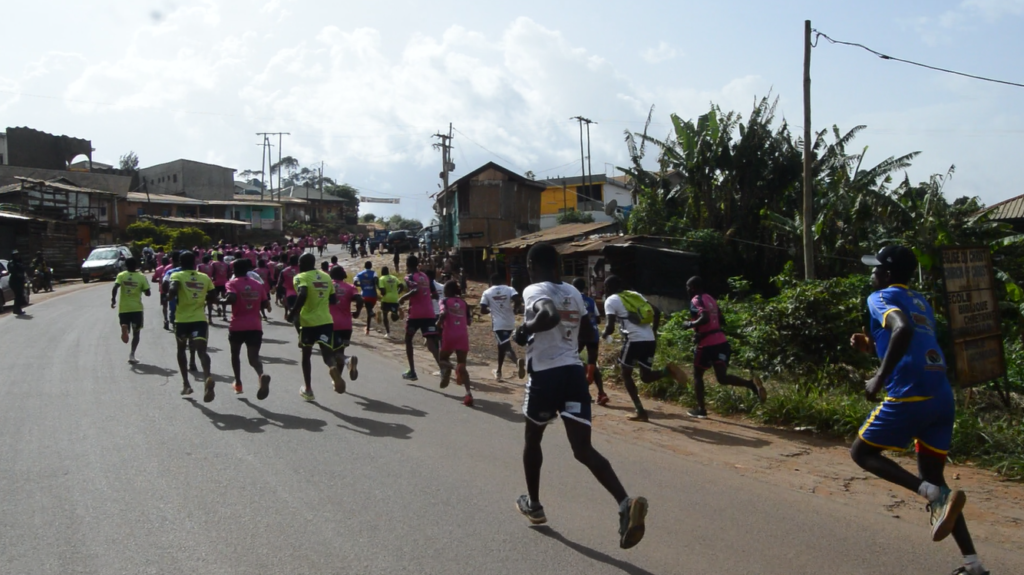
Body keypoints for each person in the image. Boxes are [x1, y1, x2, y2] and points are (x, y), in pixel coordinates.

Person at [848, 246, 985, 575]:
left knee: (861, 453)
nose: (873, 274)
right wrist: (871, 347)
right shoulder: (922, 301)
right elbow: (914, 341)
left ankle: (929, 493)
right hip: (941, 396)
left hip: (911, 395)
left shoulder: (880, 297)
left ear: (888, 275)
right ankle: (974, 565)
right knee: (937, 480)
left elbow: (902, 329)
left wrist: (879, 377)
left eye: (877, 269)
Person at [511, 243, 648, 548]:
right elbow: (588, 332)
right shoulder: (573, 294)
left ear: (532, 266)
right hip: (573, 375)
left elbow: (547, 316)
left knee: (533, 438)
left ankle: (533, 504)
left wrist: (524, 330)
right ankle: (625, 502)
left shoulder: (534, 289)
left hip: (547, 376)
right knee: (583, 449)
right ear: (559, 266)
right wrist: (574, 356)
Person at [602, 276, 688, 422]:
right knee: (645, 377)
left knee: (626, 374)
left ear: (608, 288)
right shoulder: (635, 295)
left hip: (633, 340)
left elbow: (610, 326)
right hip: (649, 340)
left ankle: (640, 411)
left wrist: (604, 335)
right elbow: (657, 312)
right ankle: (667, 371)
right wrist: (653, 332)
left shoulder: (611, 300)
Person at [680, 276, 766, 419]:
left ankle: (701, 409)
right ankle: (750, 385)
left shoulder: (696, 300)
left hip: (707, 345)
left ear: (693, 288)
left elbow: (705, 318)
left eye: (688, 288)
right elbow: (721, 320)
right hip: (721, 342)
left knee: (697, 375)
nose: (687, 290)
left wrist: (689, 325)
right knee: (722, 377)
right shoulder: (711, 299)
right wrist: (704, 331)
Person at [286, 253, 343, 401]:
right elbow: (333, 298)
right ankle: (332, 367)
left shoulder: (301, 277)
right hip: (325, 320)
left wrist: (293, 313)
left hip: (308, 322)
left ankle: (308, 389)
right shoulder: (326, 277)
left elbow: (303, 293)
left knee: (306, 355)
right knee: (327, 354)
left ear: (301, 264)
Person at [169, 251, 216, 402]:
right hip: (199, 320)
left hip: (182, 320)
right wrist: (202, 298)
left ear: (179, 263)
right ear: (195, 261)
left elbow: (172, 289)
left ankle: (186, 383)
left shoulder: (177, 276)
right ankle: (207, 376)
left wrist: (168, 295)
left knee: (181, 350)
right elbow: (213, 296)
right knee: (202, 351)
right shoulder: (204, 277)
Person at [222, 258, 272, 399]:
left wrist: (220, 301)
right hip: (255, 326)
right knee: (254, 358)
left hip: (237, 325)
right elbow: (264, 304)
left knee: (235, 355)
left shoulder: (231, 283)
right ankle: (261, 375)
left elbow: (231, 298)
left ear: (234, 270)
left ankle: (238, 383)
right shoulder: (257, 284)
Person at [397, 255, 443, 381]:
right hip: (429, 313)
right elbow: (434, 295)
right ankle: (442, 368)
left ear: (407, 264)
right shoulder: (425, 277)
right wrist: (424, 298)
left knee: (408, 340)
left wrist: (402, 298)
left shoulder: (410, 277)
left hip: (415, 314)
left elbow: (415, 289)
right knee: (431, 342)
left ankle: (412, 371)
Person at [480, 273, 525, 382]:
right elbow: (518, 299)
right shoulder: (509, 289)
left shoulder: (487, 292)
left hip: (498, 325)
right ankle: (499, 371)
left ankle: (516, 361)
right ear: (502, 281)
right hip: (510, 323)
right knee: (502, 347)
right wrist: (515, 308)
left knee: (506, 347)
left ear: (491, 282)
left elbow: (482, 309)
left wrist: (491, 310)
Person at [572, 277, 608, 406]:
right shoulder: (591, 301)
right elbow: (598, 319)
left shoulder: (573, 299)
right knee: (592, 362)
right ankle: (601, 393)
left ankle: (584, 390)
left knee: (572, 358)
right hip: (593, 334)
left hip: (579, 334)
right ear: (584, 288)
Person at [437, 280, 474, 406]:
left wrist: (438, 323)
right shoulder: (464, 303)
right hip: (463, 336)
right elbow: (469, 322)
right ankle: (468, 394)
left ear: (447, 291)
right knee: (463, 365)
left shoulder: (444, 301)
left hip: (449, 335)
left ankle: (449, 367)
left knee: (442, 358)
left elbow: (442, 313)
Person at [111, 257, 151, 364]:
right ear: (136, 265)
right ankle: (132, 354)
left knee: (125, 326)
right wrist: (144, 290)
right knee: (136, 333)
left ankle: (125, 328)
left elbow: (115, 287)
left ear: (125, 265)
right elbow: (148, 293)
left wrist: (113, 300)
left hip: (124, 308)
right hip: (136, 309)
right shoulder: (141, 277)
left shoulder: (121, 275)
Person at [328, 266, 362, 392]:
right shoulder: (350, 287)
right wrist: (358, 311)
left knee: (332, 354)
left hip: (331, 324)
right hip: (346, 326)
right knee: (340, 350)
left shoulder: (327, 286)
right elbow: (359, 299)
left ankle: (348, 361)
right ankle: (338, 380)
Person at [376, 265, 404, 338]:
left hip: (385, 300)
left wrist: (382, 294)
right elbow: (402, 286)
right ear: (388, 272)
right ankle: (397, 312)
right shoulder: (394, 278)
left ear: (382, 272)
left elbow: (383, 290)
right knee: (394, 318)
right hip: (394, 299)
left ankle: (388, 333)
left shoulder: (381, 279)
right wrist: (397, 292)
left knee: (385, 316)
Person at [353, 262, 379, 336]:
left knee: (368, 310)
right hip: (373, 295)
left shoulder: (360, 274)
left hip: (365, 295)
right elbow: (376, 281)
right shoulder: (374, 273)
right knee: (369, 311)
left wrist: (361, 285)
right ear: (371, 266)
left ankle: (367, 328)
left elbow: (355, 282)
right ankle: (367, 329)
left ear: (364, 266)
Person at [278, 255, 300, 320]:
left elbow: (280, 283)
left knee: (288, 304)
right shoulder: (302, 270)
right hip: (300, 292)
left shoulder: (284, 271)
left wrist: (279, 294)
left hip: (288, 292)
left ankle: (287, 313)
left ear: (289, 261)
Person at [7, 250, 28, 316]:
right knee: (18, 295)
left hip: (20, 281)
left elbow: (24, 268)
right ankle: (17, 309)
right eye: (15, 255)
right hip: (14, 281)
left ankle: (17, 309)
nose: (17, 256)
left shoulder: (20, 261)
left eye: (17, 255)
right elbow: (12, 270)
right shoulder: (11, 263)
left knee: (19, 295)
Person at [210, 252, 230, 320]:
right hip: (224, 282)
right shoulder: (226, 265)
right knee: (224, 297)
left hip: (216, 282)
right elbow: (229, 274)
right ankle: (224, 314)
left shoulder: (214, 264)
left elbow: (212, 273)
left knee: (216, 296)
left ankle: (218, 306)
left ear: (217, 257)